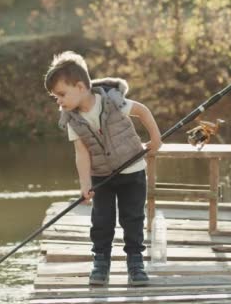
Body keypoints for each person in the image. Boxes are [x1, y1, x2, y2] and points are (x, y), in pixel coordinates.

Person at [44, 51, 162, 286]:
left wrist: (155, 139)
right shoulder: (71, 119)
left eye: (61, 94)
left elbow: (142, 111)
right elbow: (81, 153)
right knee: (102, 220)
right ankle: (101, 262)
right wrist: (85, 184)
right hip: (102, 177)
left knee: (133, 218)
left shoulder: (113, 101)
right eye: (55, 97)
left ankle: (135, 263)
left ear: (80, 86)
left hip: (132, 171)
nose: (58, 101)